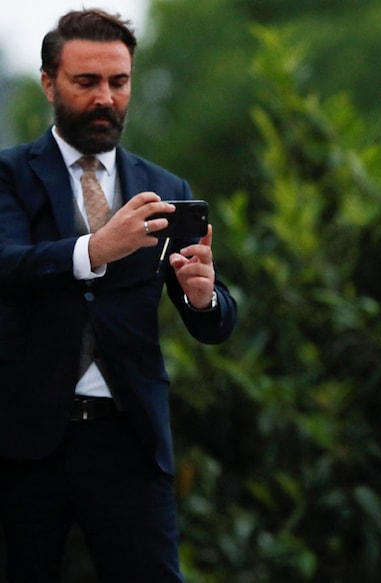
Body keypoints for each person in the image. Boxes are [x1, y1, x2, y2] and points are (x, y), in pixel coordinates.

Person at [0, 9, 236, 582]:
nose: (105, 98)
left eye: (118, 81)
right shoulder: (9, 176)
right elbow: (7, 266)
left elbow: (214, 322)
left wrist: (203, 296)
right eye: (87, 82)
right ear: (49, 83)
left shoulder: (165, 188)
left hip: (129, 437)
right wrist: (96, 248)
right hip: (24, 440)